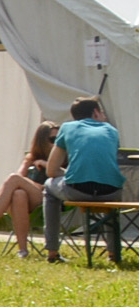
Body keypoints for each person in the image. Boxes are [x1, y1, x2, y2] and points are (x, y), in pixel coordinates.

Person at [0, 122, 56, 255]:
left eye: (59, 139)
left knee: (14, 179)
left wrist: (45, 164)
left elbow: (65, 176)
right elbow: (20, 177)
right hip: (28, 199)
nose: (56, 143)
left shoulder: (62, 156)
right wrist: (28, 164)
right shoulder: (31, 158)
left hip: (50, 196)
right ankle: (23, 250)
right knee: (18, 194)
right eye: (52, 139)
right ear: (42, 141)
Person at [53, 98, 126, 263]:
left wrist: (70, 173)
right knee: (111, 200)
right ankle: (114, 253)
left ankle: (52, 251)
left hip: (78, 190)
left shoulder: (67, 128)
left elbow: (51, 170)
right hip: (111, 192)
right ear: (95, 112)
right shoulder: (112, 131)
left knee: (48, 187)